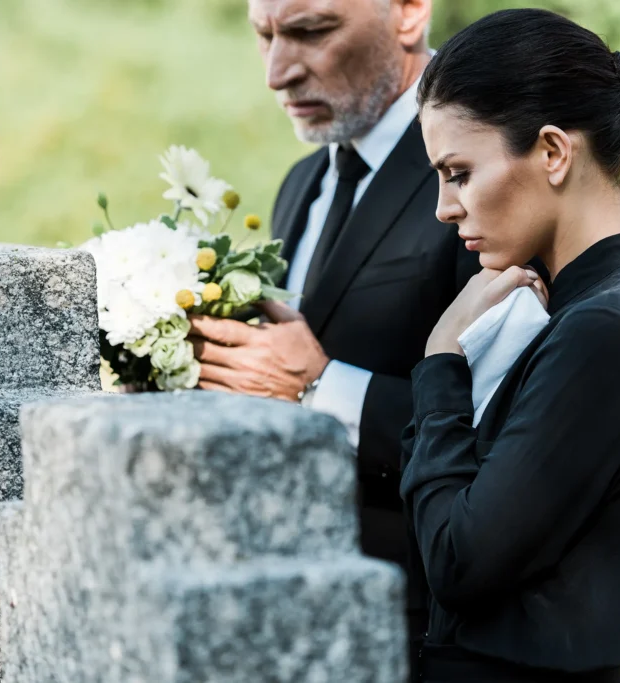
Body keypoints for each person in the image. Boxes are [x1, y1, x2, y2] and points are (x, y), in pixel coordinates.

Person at [400, 8, 620, 682]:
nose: (445, 207)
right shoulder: (573, 307)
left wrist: (442, 357)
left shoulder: (612, 329)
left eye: (460, 172)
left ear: (554, 152)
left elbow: (458, 561)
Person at [187, 0, 479, 648]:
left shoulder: (481, 167)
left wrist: (318, 386)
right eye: (263, 36)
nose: (277, 71)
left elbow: (511, 428)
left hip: (435, 629)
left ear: (408, 13)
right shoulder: (304, 181)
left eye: (311, 31)